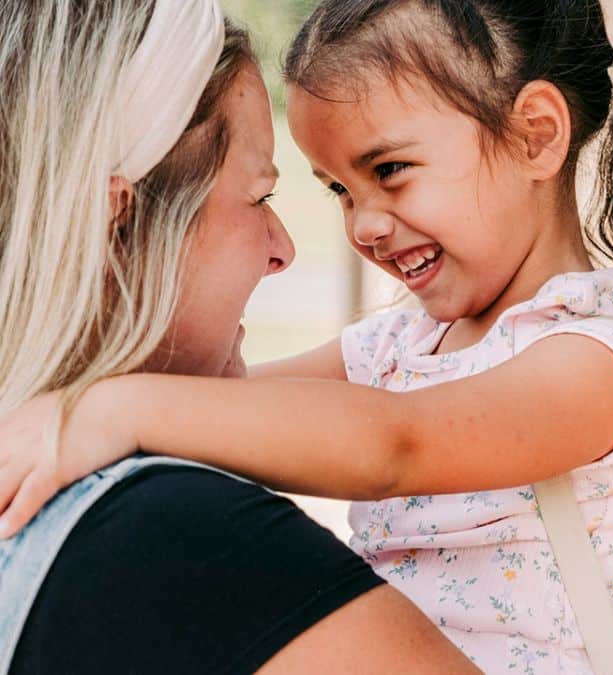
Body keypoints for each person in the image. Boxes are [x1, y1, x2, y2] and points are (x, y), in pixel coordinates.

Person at [0, 0, 613, 671]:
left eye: (391, 171)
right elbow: (226, 405)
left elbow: (394, 447)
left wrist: (110, 411)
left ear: (536, 136)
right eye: (340, 189)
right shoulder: (402, 345)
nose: (364, 224)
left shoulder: (601, 359)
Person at [0, 2, 477, 673]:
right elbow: (395, 439)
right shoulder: (181, 537)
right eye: (260, 199)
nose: (282, 249)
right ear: (117, 226)